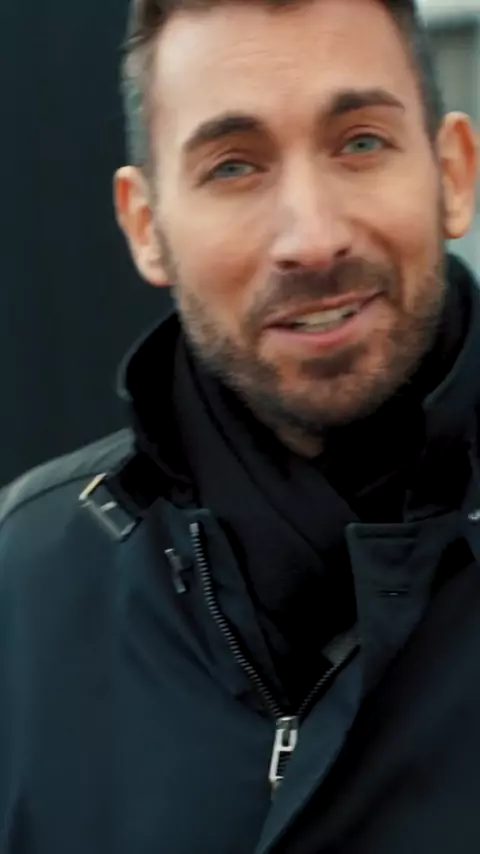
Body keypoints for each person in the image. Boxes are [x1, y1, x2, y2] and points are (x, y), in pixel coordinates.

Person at [0, 0, 479, 850]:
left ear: (453, 172)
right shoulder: (25, 594)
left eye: (360, 143)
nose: (313, 238)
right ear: (146, 226)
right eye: (233, 166)